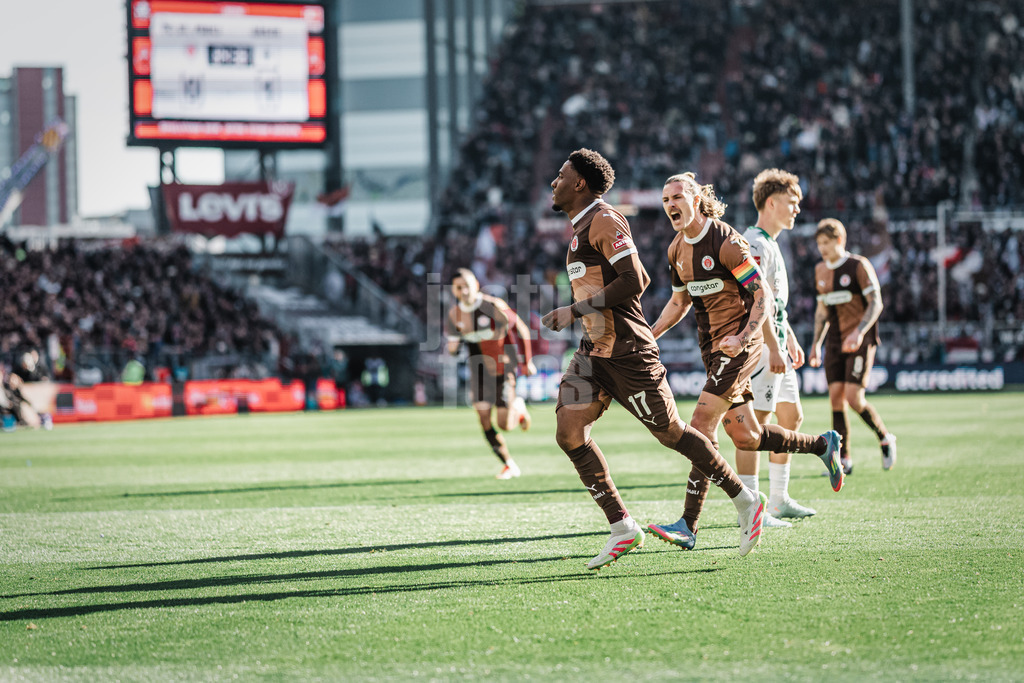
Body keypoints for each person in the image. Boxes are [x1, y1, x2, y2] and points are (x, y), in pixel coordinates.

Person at [541, 148, 767, 571]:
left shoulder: (605, 220)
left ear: (580, 183)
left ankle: (745, 499)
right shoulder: (580, 228)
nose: (554, 182)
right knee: (568, 432)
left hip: (627, 352)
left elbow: (636, 279)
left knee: (672, 433)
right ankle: (622, 527)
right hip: (593, 352)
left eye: (561, 175)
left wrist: (574, 310)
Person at [646, 172, 843, 552]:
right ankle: (822, 445)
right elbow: (679, 301)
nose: (671, 204)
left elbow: (761, 294)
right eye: (666, 199)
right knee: (747, 436)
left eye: (678, 197)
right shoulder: (676, 250)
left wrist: (744, 337)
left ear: (697, 200)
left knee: (700, 424)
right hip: (713, 349)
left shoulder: (726, 241)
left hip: (739, 346)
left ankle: (690, 523)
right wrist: (651, 334)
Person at [734, 169, 819, 524]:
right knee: (755, 425)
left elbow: (774, 304)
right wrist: (772, 344)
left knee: (792, 416)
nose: (797, 208)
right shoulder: (754, 243)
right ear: (771, 203)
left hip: (777, 342)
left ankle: (779, 499)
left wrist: (789, 338)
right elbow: (753, 299)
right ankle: (751, 507)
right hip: (761, 348)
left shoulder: (770, 242)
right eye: (791, 201)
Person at [808, 218, 896, 474]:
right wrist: (816, 344)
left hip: (860, 339)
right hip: (835, 341)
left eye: (826, 242)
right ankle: (843, 458)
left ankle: (884, 437)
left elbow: (876, 302)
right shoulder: (820, 270)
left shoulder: (858, 265)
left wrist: (859, 332)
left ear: (840, 240)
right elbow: (822, 311)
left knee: (853, 397)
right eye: (819, 244)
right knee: (836, 398)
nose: (822, 248)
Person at [446, 268, 535, 479]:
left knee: (504, 424)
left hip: (503, 368)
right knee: (484, 418)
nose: (464, 291)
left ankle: (518, 407)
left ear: (476, 285)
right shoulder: (455, 315)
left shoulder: (493, 306)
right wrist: (454, 345)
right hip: (478, 372)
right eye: (459, 287)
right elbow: (452, 348)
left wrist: (527, 361)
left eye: (467, 285)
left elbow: (521, 329)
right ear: (453, 290)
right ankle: (509, 464)